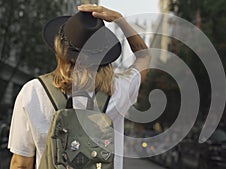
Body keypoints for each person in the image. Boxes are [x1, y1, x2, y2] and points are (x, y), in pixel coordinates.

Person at [8, 4, 150, 169]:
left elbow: (21, 164)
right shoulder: (118, 90)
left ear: (59, 49)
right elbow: (144, 54)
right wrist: (119, 20)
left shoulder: (33, 92)